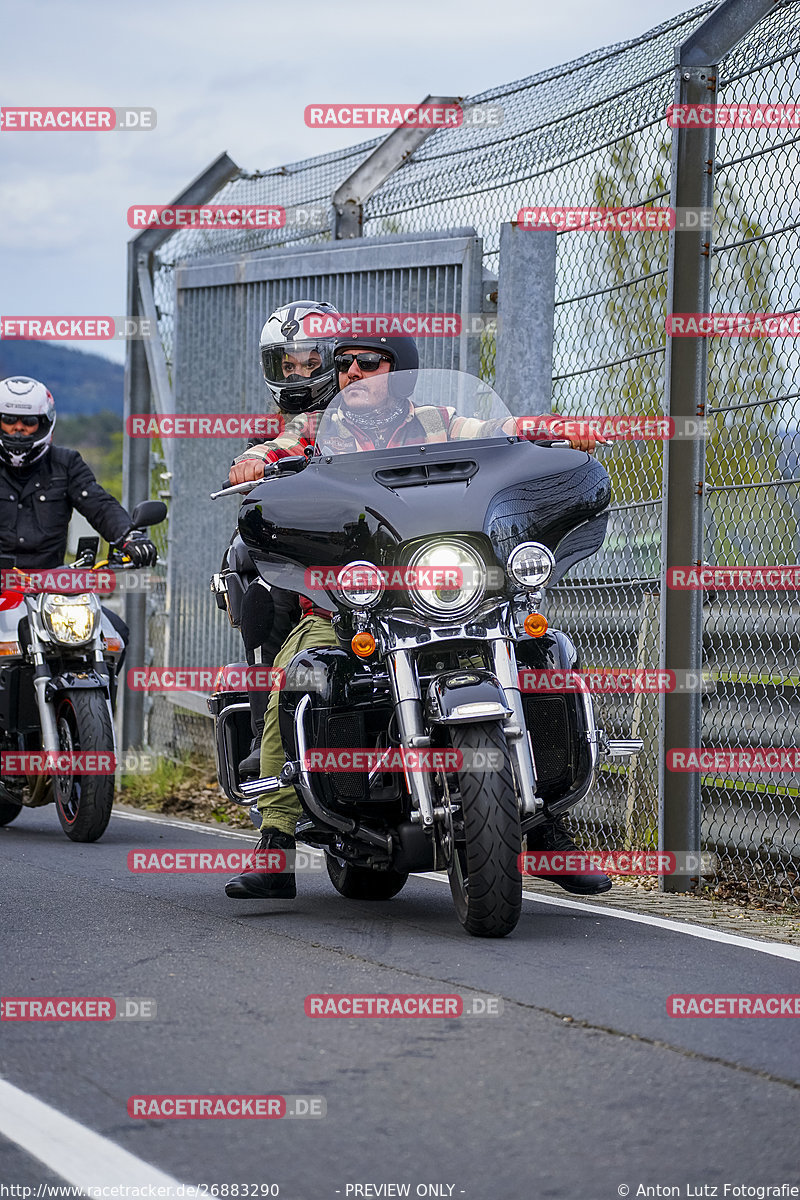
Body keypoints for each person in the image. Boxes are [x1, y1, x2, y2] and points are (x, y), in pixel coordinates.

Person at [225, 335, 610, 899]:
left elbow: (501, 433)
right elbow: (280, 448)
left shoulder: (440, 421)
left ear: (397, 370)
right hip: (352, 604)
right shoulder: (317, 429)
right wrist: (255, 460)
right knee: (297, 673)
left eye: (368, 363)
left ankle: (547, 829)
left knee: (541, 655)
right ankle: (277, 841)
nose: (352, 372)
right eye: (344, 364)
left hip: (452, 589)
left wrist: (556, 431)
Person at [227, 300, 341, 777]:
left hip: (363, 540)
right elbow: (261, 460)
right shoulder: (270, 429)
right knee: (255, 574)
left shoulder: (361, 410)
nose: (298, 374)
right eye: (286, 364)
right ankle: (265, 727)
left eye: (311, 362)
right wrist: (252, 465)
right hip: (297, 544)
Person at [0, 377, 157, 656]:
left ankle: (105, 701)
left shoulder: (66, 463)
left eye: (29, 421)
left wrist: (129, 537)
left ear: (45, 424)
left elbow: (99, 503)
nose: (18, 428)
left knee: (114, 633)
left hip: (50, 587)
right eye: (9, 419)